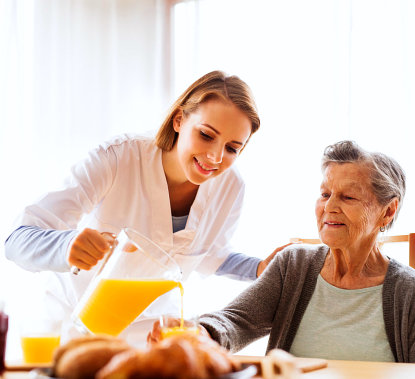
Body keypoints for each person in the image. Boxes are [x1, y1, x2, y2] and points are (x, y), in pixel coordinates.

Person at [4, 70, 285, 345]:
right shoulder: (117, 158)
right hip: (74, 330)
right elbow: (16, 240)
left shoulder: (230, 187)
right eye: (206, 135)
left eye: (233, 148)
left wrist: (259, 269)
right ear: (179, 120)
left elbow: (210, 256)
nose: (215, 157)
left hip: (150, 338)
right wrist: (66, 246)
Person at [149, 140, 415, 362]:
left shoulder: (408, 292)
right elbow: (237, 321)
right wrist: (198, 333)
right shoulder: (294, 264)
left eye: (348, 197)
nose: (329, 206)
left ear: (388, 211)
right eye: (325, 194)